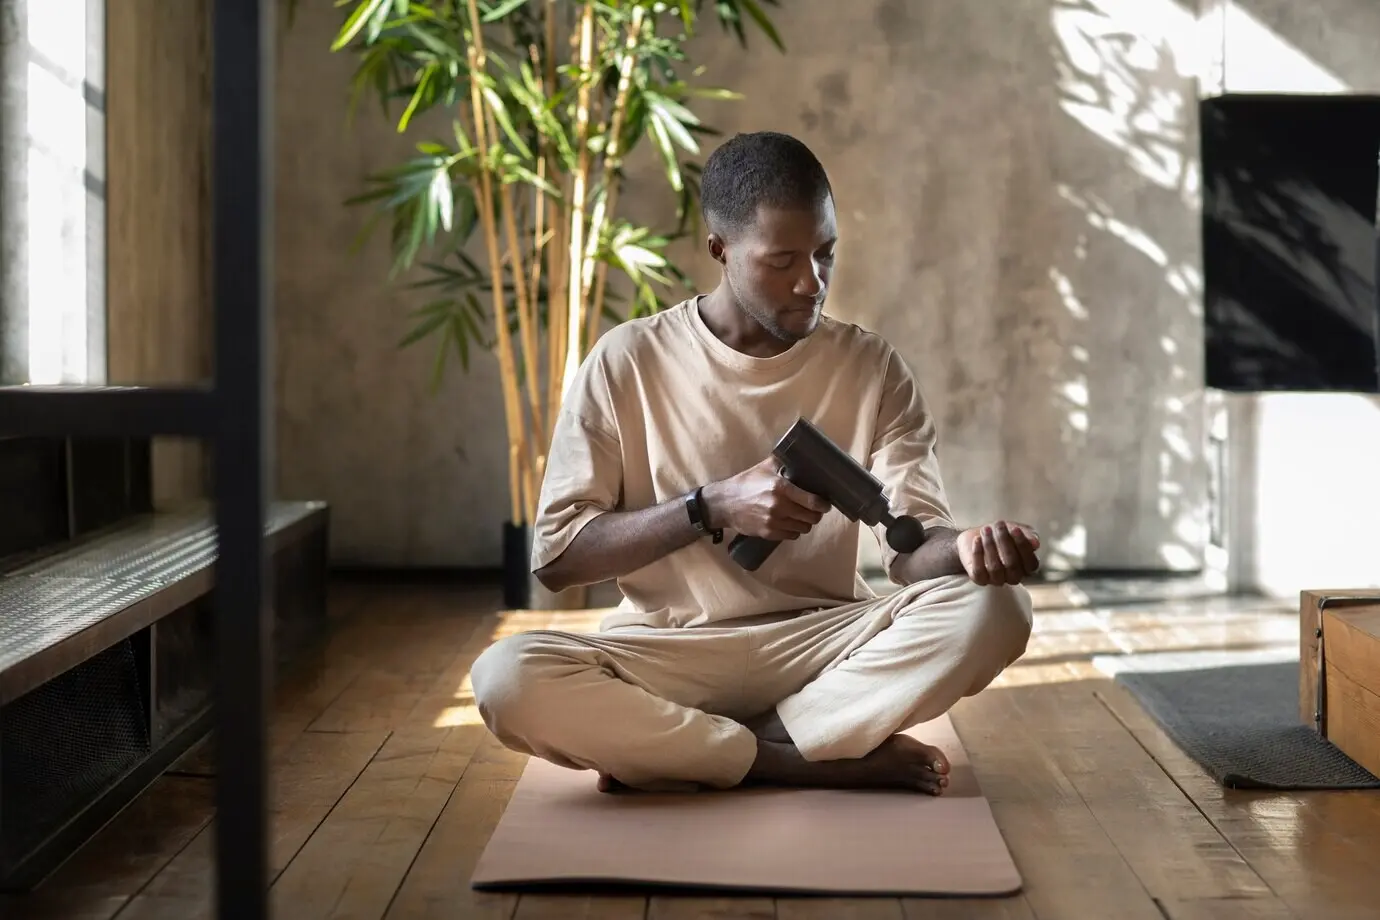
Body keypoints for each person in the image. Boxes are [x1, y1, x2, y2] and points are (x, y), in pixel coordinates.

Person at [470, 131, 1038, 796]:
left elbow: (910, 553)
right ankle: (792, 755)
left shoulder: (871, 367)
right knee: (507, 679)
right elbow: (558, 558)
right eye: (782, 261)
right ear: (720, 249)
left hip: (821, 644)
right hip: (671, 651)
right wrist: (709, 508)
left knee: (1000, 610)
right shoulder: (627, 361)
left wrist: (966, 548)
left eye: (826, 253)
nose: (812, 282)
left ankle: (701, 748)